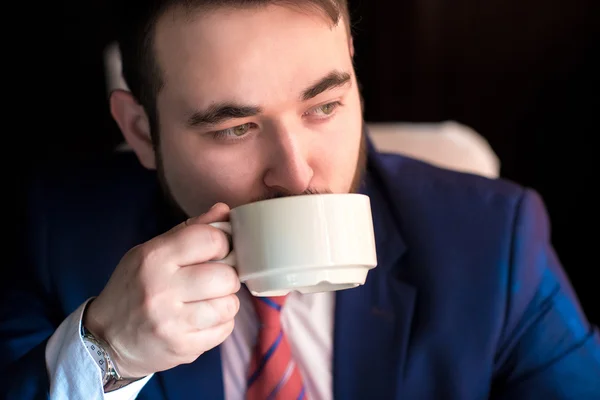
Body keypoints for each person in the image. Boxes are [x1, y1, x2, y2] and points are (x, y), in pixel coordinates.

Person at [1, 0, 599, 399]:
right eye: (234, 128)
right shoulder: (56, 231)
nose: (296, 173)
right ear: (139, 130)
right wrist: (110, 353)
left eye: (324, 106)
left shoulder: (495, 239)